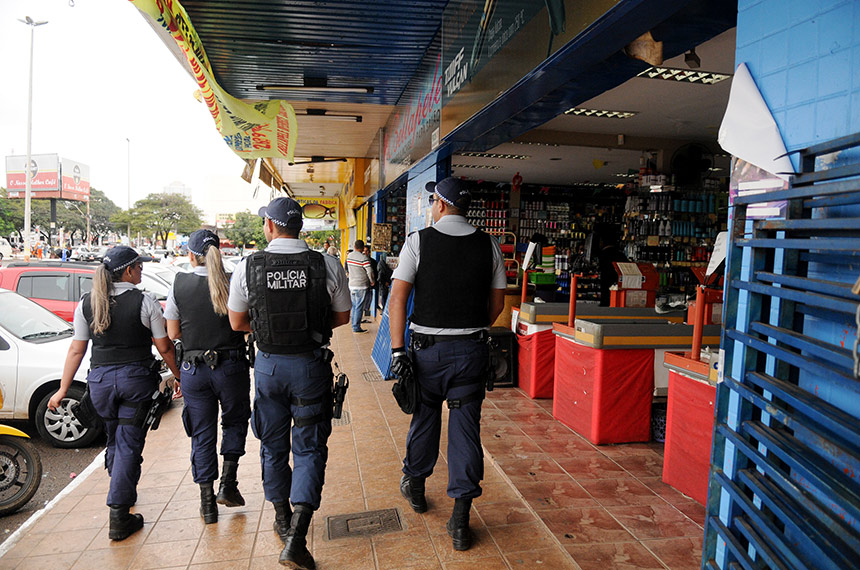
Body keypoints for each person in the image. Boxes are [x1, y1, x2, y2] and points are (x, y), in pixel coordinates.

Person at [227, 197, 350, 569]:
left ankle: (282, 519)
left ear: (269, 226)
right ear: (301, 227)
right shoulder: (326, 263)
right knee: (309, 448)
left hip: (268, 368)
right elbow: (342, 316)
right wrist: (309, 327)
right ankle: (297, 538)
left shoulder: (248, 266)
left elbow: (237, 322)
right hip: (310, 366)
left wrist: (271, 329)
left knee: (272, 444)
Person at [388, 177, 506, 551]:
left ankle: (416, 485)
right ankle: (460, 518)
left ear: (439, 204)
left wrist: (397, 350)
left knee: (425, 418)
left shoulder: (418, 242)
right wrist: (471, 329)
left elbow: (397, 299)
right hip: (471, 352)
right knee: (466, 428)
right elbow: (497, 304)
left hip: (427, 353)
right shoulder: (489, 244)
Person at [48, 245, 181, 541]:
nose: (142, 271)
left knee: (115, 440)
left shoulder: (86, 303)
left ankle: (123, 488)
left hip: (100, 385)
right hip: (135, 382)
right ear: (128, 271)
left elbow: (76, 350)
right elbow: (164, 346)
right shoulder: (145, 301)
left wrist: (62, 390)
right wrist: (179, 375)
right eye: (139, 267)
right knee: (128, 445)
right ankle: (119, 515)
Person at [164, 229, 251, 525]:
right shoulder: (233, 280)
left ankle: (207, 504)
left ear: (191, 255)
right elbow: (243, 323)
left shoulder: (179, 282)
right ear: (219, 253)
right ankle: (228, 483)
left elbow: (173, 332)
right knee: (235, 422)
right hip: (231, 367)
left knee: (202, 433)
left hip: (194, 370)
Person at [345, 239, 375, 333]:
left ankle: (354, 324)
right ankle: (356, 327)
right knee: (359, 307)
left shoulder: (349, 256)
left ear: (354, 247)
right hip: (361, 285)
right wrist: (372, 281)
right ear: (362, 248)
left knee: (354, 306)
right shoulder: (364, 258)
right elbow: (369, 271)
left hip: (352, 285)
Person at [597, 230, 628, 307]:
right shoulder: (620, 255)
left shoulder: (602, 255)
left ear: (603, 242)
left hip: (605, 284)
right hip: (619, 285)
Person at [362, 245, 377, 320]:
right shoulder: (360, 261)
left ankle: (366, 311)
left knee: (368, 298)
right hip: (361, 283)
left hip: (369, 284)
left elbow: (374, 272)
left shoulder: (373, 262)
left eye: (367, 251)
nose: (365, 252)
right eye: (364, 251)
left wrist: (373, 281)